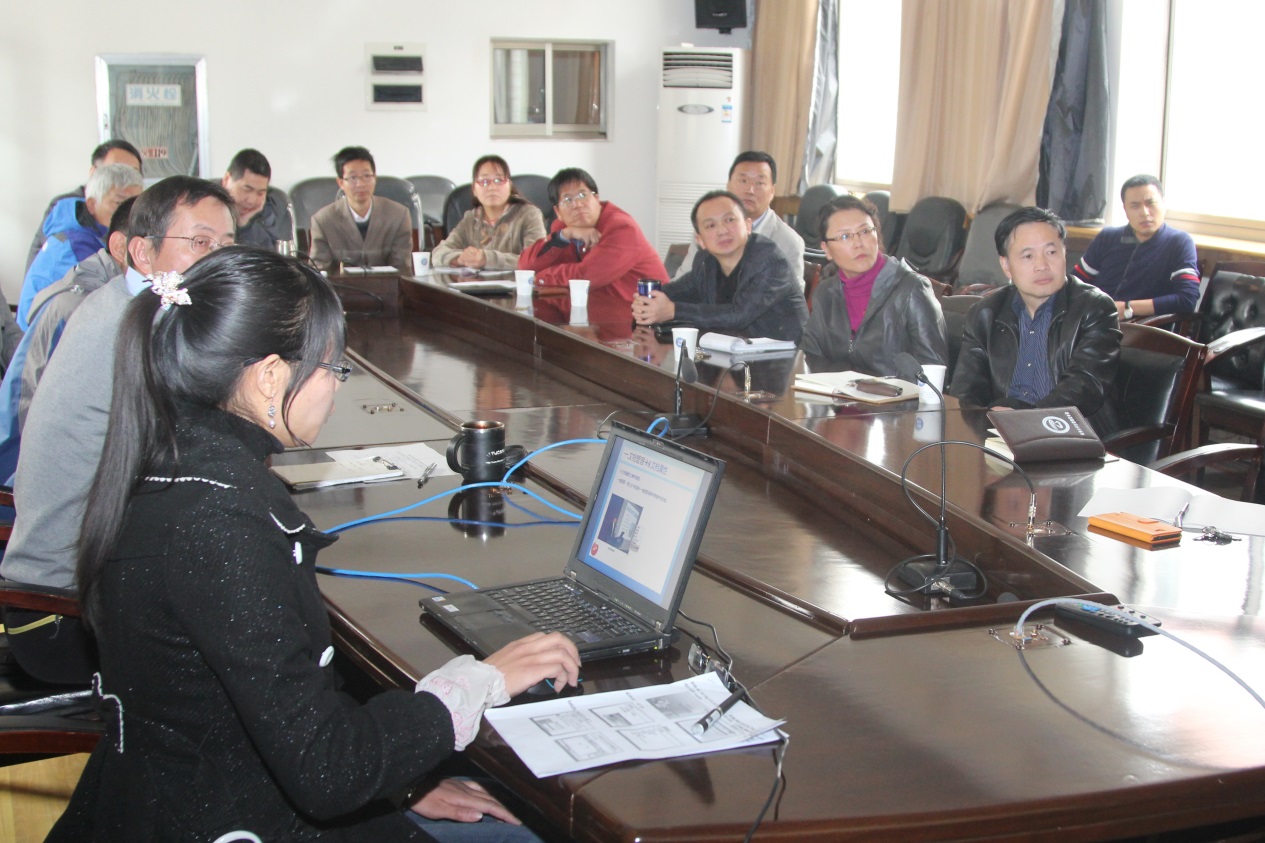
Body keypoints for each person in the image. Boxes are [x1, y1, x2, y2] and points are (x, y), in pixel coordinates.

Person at [45, 247, 579, 841]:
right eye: (332, 369)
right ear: (270, 375)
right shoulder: (220, 521)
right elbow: (328, 772)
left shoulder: (174, 461)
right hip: (224, 816)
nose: (335, 389)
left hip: (187, 787)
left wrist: (402, 780)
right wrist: (483, 681)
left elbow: (277, 707)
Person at [0, 176, 236, 686]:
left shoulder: (123, 302)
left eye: (226, 245)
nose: (219, 261)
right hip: (61, 615)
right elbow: (194, 459)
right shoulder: (135, 330)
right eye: (200, 242)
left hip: (75, 583)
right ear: (142, 253)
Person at [0, 197, 137, 488]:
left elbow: (12, 339)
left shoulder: (114, 290)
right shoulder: (86, 305)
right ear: (123, 247)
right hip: (23, 464)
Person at [950, 206, 1121, 431]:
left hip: (1068, 432)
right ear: (1006, 265)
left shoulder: (1094, 308)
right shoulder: (985, 313)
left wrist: (1024, 420)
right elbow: (966, 390)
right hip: (999, 432)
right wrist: (980, 427)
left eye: (1051, 252)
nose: (1042, 266)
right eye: (1028, 256)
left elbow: (1084, 388)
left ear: (1064, 252)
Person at [632, 190, 807, 342]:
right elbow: (676, 291)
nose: (722, 230)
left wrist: (673, 311)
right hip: (730, 354)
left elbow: (739, 315)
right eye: (710, 225)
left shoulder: (771, 262)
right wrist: (647, 303)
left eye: (729, 220)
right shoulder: (705, 262)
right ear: (700, 240)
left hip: (786, 359)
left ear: (748, 226)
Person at [800, 194, 947, 374]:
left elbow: (934, 373)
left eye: (865, 231)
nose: (858, 243)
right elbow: (809, 356)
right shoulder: (826, 293)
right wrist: (849, 381)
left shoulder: (912, 290)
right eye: (845, 236)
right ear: (826, 249)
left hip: (896, 393)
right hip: (837, 391)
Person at [517, 167, 666, 307]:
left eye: (583, 195)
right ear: (558, 212)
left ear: (596, 198)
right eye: (567, 200)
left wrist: (541, 278)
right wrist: (565, 235)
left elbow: (586, 276)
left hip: (641, 314)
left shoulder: (622, 228)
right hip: (595, 309)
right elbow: (526, 266)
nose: (577, 204)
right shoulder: (564, 229)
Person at [19, 162, 143, 329]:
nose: (131, 214)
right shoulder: (74, 246)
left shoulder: (94, 233)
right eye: (120, 204)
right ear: (92, 205)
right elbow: (106, 306)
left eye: (136, 205)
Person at [1071, 174, 1200, 319]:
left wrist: (1127, 308)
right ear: (1125, 209)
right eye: (1135, 206)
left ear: (1163, 204)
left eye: (1150, 203)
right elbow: (1073, 286)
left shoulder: (1179, 242)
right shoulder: (1107, 237)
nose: (1144, 213)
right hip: (1092, 321)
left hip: (1141, 328)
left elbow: (1187, 299)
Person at [672, 151, 805, 290]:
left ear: (772, 191)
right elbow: (682, 282)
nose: (750, 190)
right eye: (743, 181)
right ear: (728, 185)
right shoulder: (709, 228)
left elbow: (790, 299)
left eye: (759, 183)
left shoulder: (788, 242)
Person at [26, 139, 144, 270]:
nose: (125, 177)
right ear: (94, 172)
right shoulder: (70, 224)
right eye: (115, 169)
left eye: (133, 172)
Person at [431, 155, 546, 271]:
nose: (492, 187)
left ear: (510, 186)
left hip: (516, 282)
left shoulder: (529, 214)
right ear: (474, 189)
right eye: (484, 181)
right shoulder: (471, 219)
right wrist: (460, 259)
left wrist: (487, 259)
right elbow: (438, 253)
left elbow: (536, 259)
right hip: (476, 282)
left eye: (499, 180)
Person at [310, 146, 412, 274]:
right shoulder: (323, 220)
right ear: (341, 183)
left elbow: (402, 269)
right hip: (339, 286)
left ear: (375, 178)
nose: (361, 184)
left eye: (367, 176)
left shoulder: (398, 215)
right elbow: (319, 271)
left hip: (387, 286)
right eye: (352, 177)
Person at [222, 147, 291, 249]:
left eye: (260, 193)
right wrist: (240, 226)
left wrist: (245, 225)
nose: (251, 200)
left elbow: (271, 255)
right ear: (227, 180)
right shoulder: (207, 207)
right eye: (247, 189)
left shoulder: (273, 209)